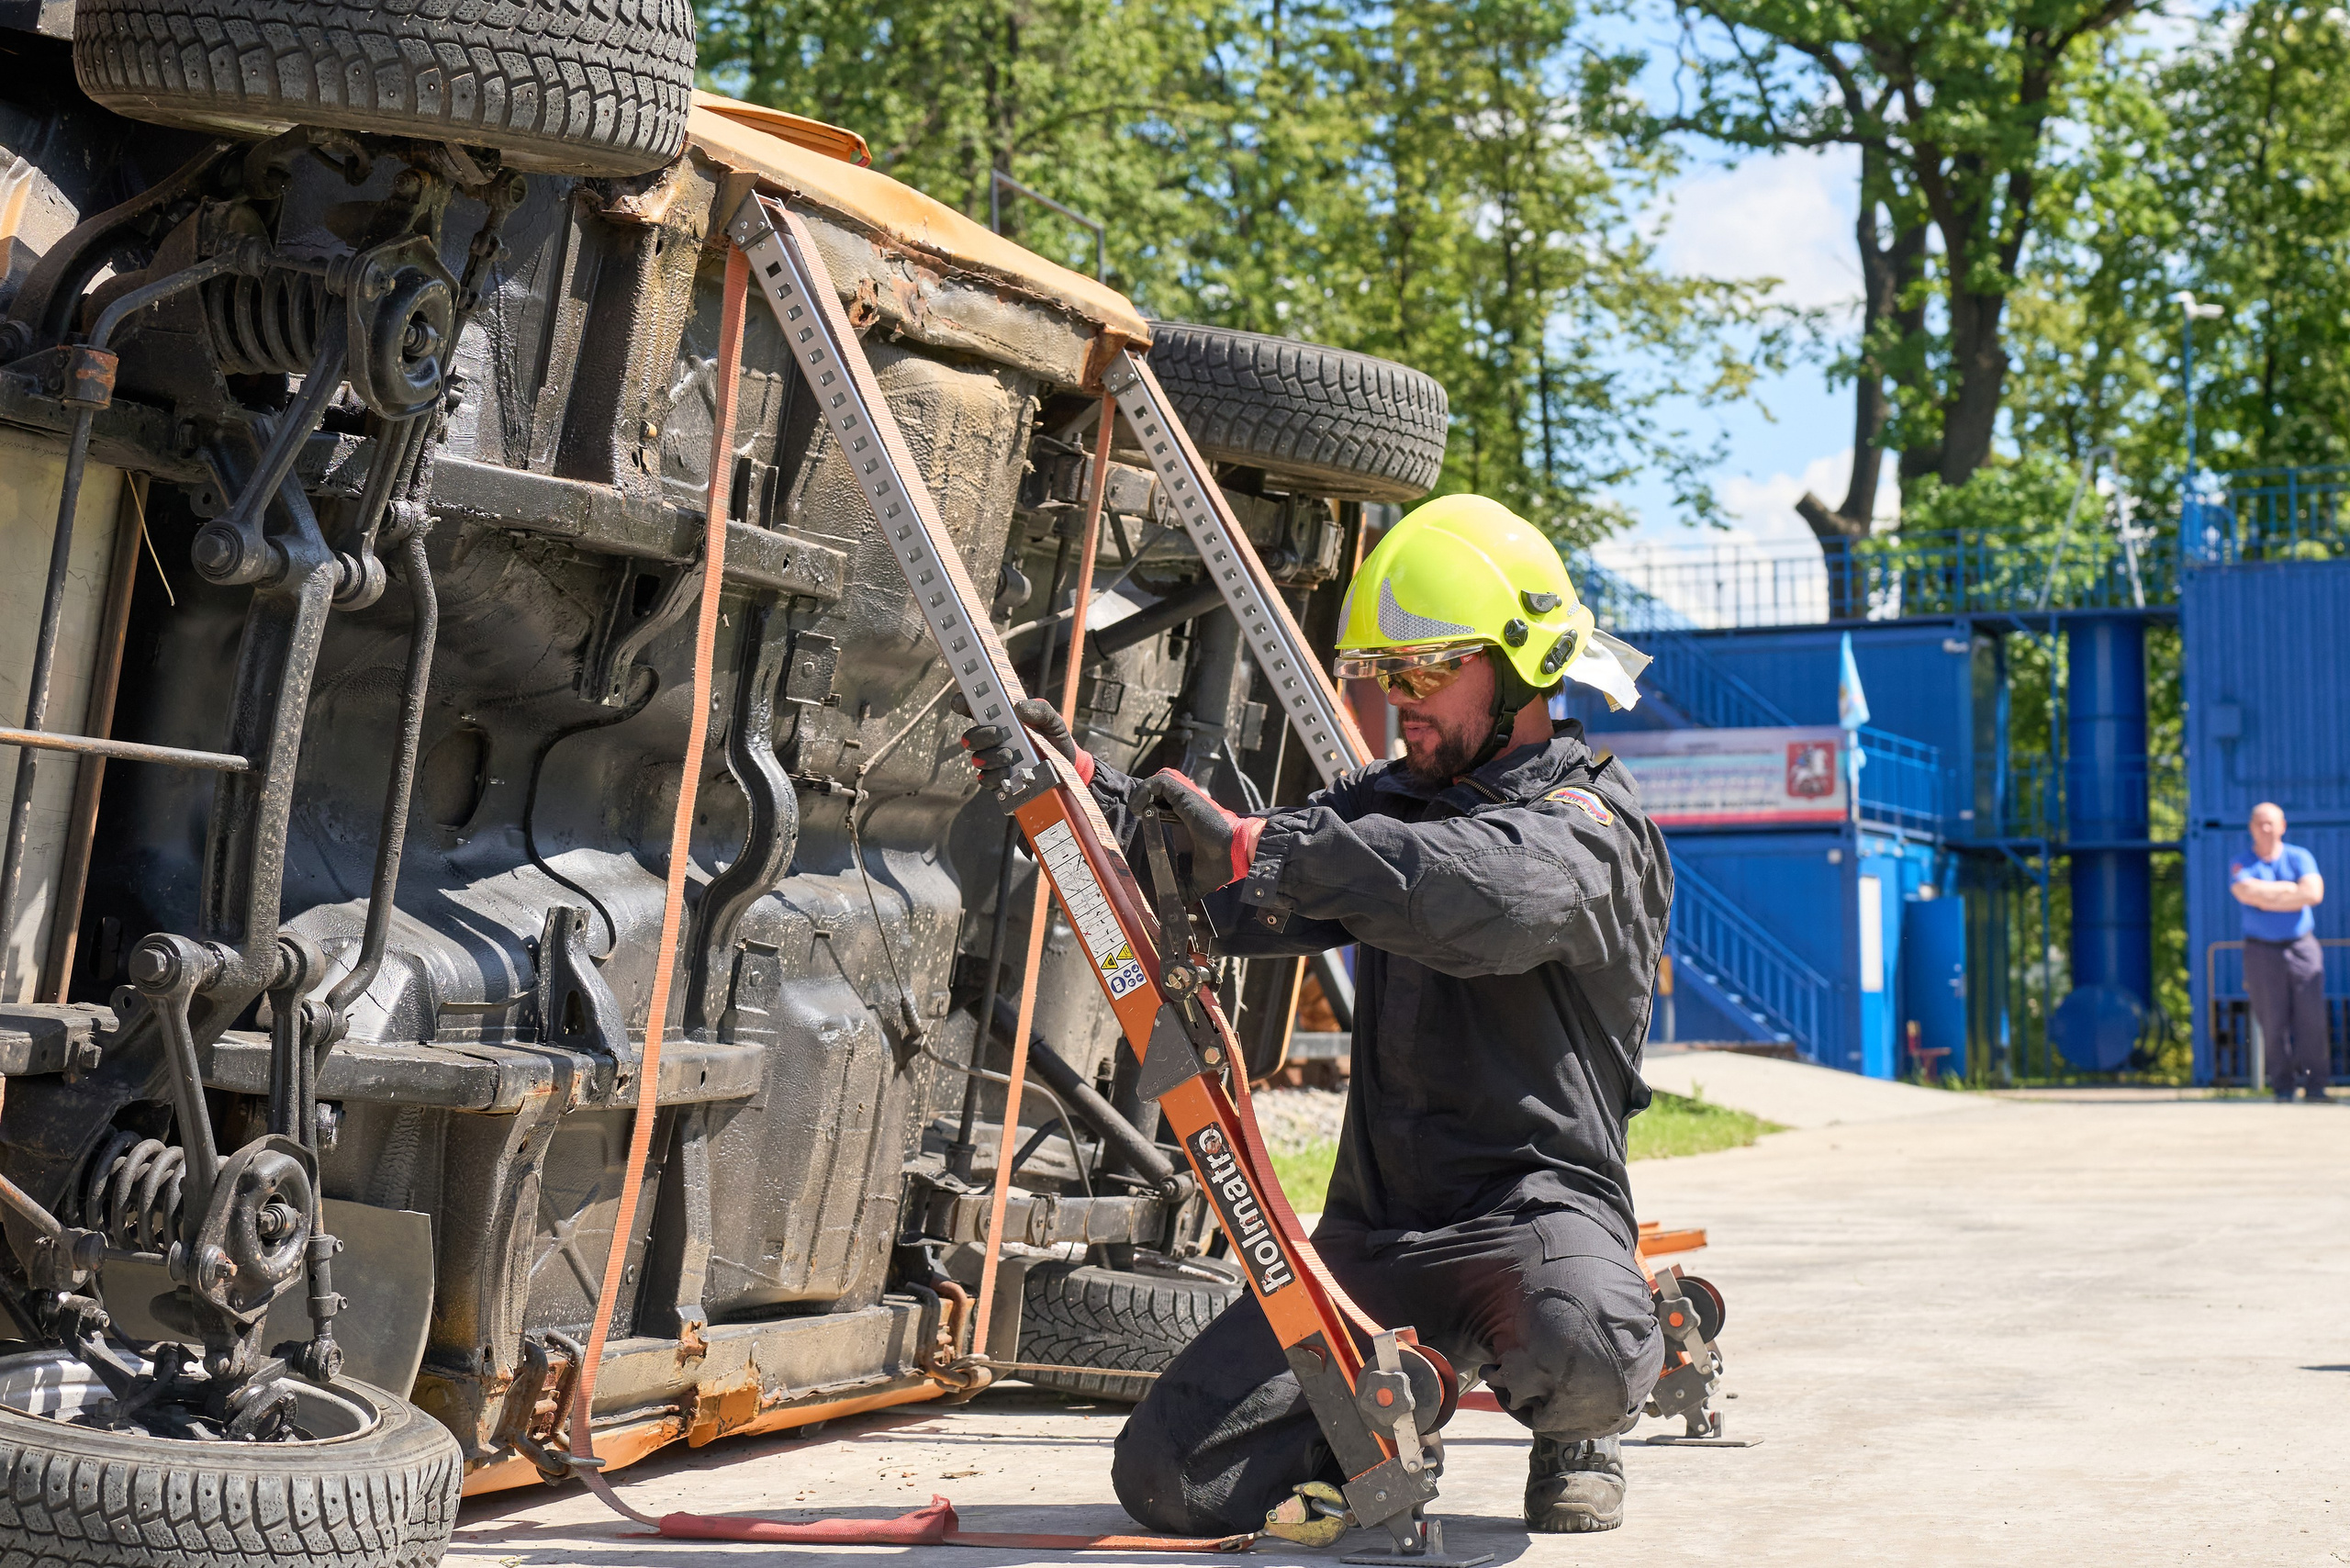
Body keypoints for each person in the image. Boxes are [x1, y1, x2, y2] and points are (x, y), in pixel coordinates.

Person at [965, 495, 1672, 1537]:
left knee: (1586, 1343)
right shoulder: (1388, 804)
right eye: (1383, 674)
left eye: (1423, 672)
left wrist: (1276, 850)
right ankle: (1395, 1414)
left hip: (1533, 1218)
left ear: (1525, 667)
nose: (1397, 700)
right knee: (1171, 1478)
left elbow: (1491, 897)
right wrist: (1085, 799)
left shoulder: (1591, 826)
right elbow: (1230, 880)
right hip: (1378, 1238)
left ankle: (1579, 1431)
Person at [2231, 802, 2329, 1101]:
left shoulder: (2300, 857)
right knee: (2272, 1022)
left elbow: (2313, 893)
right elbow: (2244, 892)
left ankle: (2316, 1087)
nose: (2266, 828)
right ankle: (2283, 1088)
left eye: (2271, 823)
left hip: (2302, 947)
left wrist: (2266, 898)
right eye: (2259, 823)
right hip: (2261, 951)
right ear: (2251, 828)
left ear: (2282, 826)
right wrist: (2289, 891)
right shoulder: (2241, 862)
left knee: (2312, 1019)